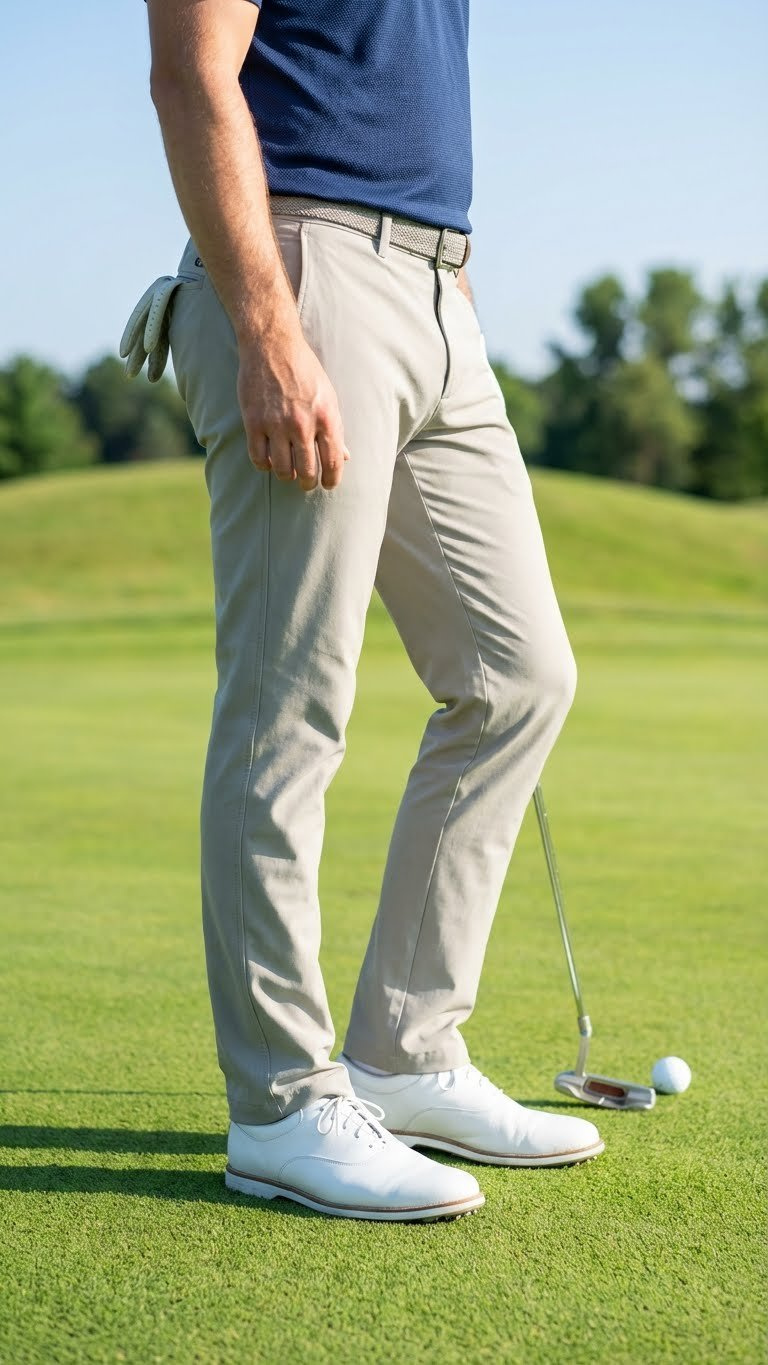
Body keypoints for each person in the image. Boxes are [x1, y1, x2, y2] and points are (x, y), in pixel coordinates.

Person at [130, 0, 604, 1222]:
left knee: (521, 677)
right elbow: (193, 74)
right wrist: (267, 329)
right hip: (306, 271)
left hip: (443, 289)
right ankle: (282, 1105)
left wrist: (444, 296)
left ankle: (404, 1052)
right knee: (290, 706)